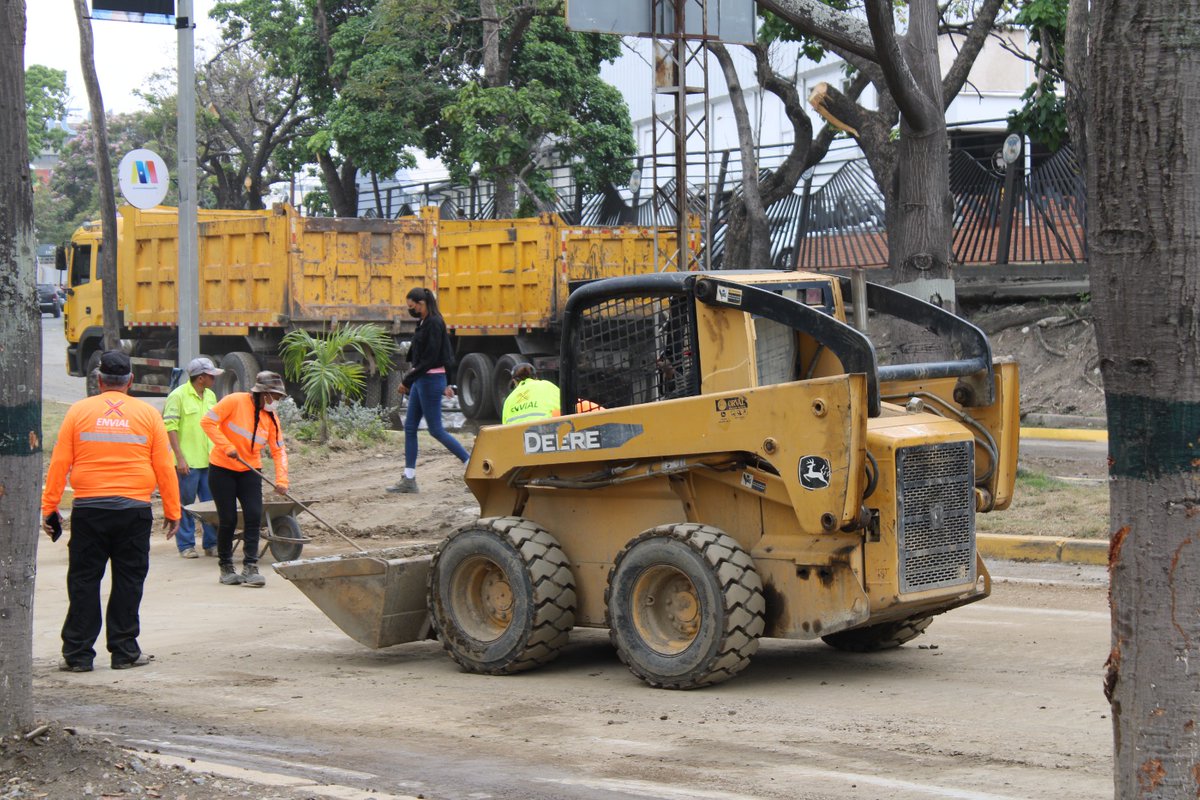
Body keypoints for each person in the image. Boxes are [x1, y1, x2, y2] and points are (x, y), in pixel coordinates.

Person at [41, 350, 181, 672]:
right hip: (134, 512)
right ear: (131, 380)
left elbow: (60, 463)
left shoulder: (78, 412)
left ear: (99, 380)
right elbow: (164, 467)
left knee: (83, 581)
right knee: (129, 581)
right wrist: (173, 511)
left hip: (90, 511)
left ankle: (77, 655)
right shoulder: (148, 414)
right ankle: (124, 651)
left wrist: (49, 509)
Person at [200, 371, 290, 587]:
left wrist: (282, 480)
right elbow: (207, 423)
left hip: (250, 471)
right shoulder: (234, 401)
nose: (276, 402)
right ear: (263, 393)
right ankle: (226, 566)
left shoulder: (271, 419)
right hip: (222, 469)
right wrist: (227, 446)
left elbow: (279, 451)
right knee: (228, 519)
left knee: (253, 516)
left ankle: (251, 566)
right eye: (274, 397)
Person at [388, 287, 470, 494]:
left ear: (421, 303)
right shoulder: (423, 322)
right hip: (423, 379)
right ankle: (409, 478)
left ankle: (471, 466)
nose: (410, 310)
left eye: (411, 306)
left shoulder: (434, 322)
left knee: (435, 429)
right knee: (410, 428)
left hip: (430, 379)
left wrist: (408, 380)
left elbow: (434, 357)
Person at [163, 357, 223, 558]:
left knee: (210, 504)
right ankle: (186, 545)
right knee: (187, 505)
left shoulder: (211, 396)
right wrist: (180, 458)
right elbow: (170, 428)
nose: (214, 378)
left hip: (209, 461)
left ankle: (211, 544)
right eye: (211, 375)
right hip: (187, 463)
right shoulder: (177, 396)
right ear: (201, 378)